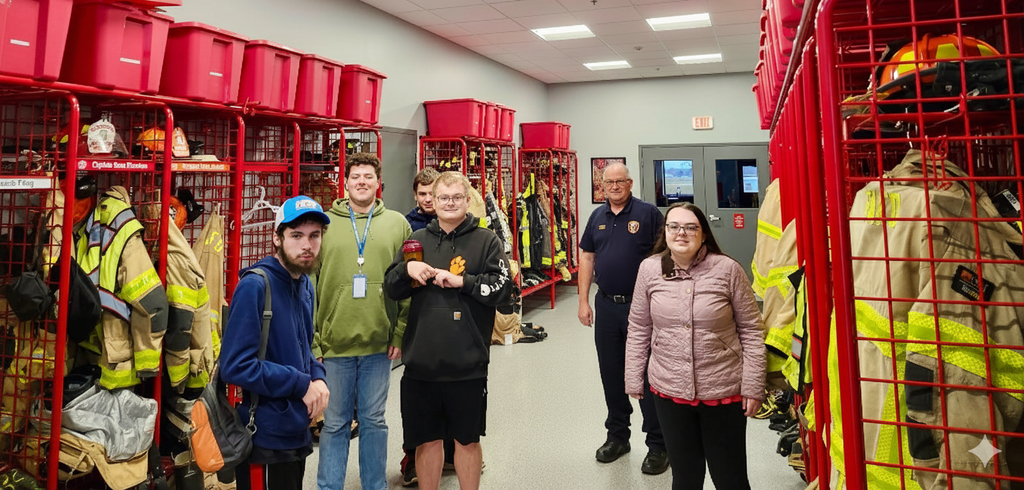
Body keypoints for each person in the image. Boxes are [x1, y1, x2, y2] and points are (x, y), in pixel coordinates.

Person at [384, 171, 513, 490]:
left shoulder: (487, 241)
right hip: (421, 365)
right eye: (443, 197)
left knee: (467, 441)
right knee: (426, 441)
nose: (450, 203)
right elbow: (392, 288)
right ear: (433, 200)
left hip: (467, 365)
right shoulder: (417, 240)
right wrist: (407, 268)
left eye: (457, 197)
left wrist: (463, 282)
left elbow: (502, 290)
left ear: (468, 200)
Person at [625, 202, 766, 490]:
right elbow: (639, 327)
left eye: (691, 227)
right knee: (685, 478)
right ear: (665, 232)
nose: (681, 233)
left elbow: (752, 330)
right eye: (674, 226)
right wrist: (633, 377)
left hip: (722, 390)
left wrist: (753, 385)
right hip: (669, 390)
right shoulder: (649, 270)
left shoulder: (728, 269)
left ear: (703, 234)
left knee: (731, 479)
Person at [219, 195, 331, 490]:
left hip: (296, 430)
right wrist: (301, 383)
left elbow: (302, 347)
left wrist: (317, 376)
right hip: (265, 438)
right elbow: (235, 366)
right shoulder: (255, 286)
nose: (307, 245)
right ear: (277, 238)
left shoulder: (304, 283)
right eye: (296, 235)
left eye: (314, 235)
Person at [314, 152, 411, 490]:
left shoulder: (398, 224)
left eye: (369, 177)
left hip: (379, 344)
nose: (362, 182)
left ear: (378, 183)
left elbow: (407, 282)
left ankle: (375, 485)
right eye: (356, 176)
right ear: (345, 183)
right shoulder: (323, 224)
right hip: (333, 345)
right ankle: (329, 486)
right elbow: (309, 285)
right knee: (334, 423)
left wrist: (399, 333)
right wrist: (313, 341)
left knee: (374, 421)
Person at [577, 162, 668, 474]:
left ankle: (658, 444)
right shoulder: (597, 217)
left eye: (620, 181)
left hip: (642, 308)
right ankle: (618, 437)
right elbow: (587, 257)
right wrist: (583, 301)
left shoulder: (648, 214)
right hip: (606, 306)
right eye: (609, 182)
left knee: (645, 375)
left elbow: (665, 258)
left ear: (630, 183)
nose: (614, 187)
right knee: (611, 373)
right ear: (602, 186)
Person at [401, 165, 455, 487]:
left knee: (454, 394)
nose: (427, 200)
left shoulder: (458, 225)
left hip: (451, 320)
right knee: (419, 402)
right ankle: (412, 459)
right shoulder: (408, 227)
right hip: (418, 317)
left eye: (431, 193)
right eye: (421, 194)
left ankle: (453, 453)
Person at [406, 167, 440, 232]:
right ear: (415, 195)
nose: (428, 199)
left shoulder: (450, 222)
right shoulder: (407, 224)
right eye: (422, 194)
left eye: (432, 194)